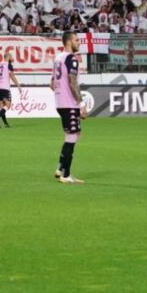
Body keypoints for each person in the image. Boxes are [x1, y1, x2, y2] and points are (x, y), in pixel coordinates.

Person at [52, 32, 88, 183]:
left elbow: (52, 83)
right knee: (72, 137)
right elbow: (73, 82)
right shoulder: (71, 59)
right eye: (76, 40)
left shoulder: (57, 58)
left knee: (74, 134)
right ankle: (66, 175)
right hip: (69, 103)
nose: (79, 43)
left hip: (60, 103)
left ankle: (60, 168)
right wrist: (81, 104)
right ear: (68, 42)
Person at [0, 53, 21, 128]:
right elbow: (12, 76)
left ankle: (5, 124)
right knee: (7, 105)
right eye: (11, 57)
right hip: (5, 88)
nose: (12, 58)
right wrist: (18, 85)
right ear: (8, 57)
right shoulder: (9, 65)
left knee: (2, 107)